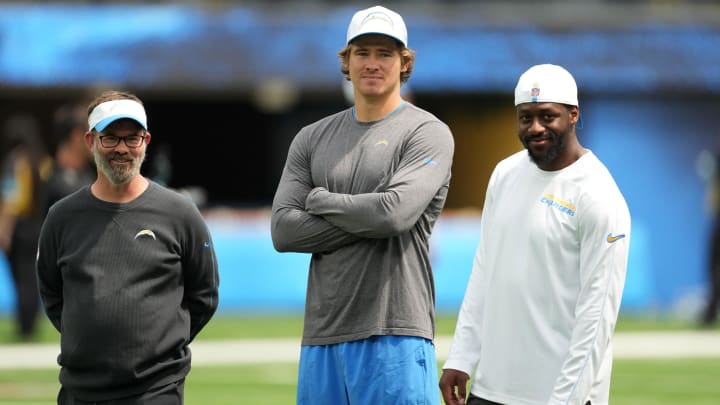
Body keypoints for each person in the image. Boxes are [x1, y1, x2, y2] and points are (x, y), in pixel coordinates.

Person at [271, 5, 454, 405]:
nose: (373, 63)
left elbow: (394, 213)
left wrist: (321, 201)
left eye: (385, 54)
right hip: (322, 335)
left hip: (395, 332)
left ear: (405, 63)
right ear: (346, 60)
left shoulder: (427, 132)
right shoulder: (311, 138)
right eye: (363, 52)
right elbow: (284, 231)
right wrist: (370, 215)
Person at [439, 64, 631, 405]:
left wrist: (566, 399)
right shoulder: (504, 174)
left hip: (557, 396)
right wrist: (461, 357)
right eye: (525, 117)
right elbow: (485, 270)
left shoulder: (598, 195)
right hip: (489, 390)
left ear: (573, 115)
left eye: (548, 116)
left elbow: (596, 317)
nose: (536, 127)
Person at [36, 90, 220, 404]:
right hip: (81, 391)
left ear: (145, 142)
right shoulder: (62, 217)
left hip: (157, 391)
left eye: (131, 138)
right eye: (110, 138)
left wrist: (158, 348)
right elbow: (53, 295)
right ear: (90, 141)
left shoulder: (180, 213)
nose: (122, 149)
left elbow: (204, 295)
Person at [0, 113, 53, 340]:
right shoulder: (44, 161)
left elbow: (12, 199)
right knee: (32, 276)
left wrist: (4, 229)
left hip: (20, 228)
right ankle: (32, 323)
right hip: (40, 226)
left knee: (20, 277)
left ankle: (24, 326)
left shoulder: (15, 161)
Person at [43, 102, 96, 214]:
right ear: (77, 136)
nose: (97, 140)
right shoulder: (51, 178)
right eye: (92, 134)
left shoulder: (88, 175)